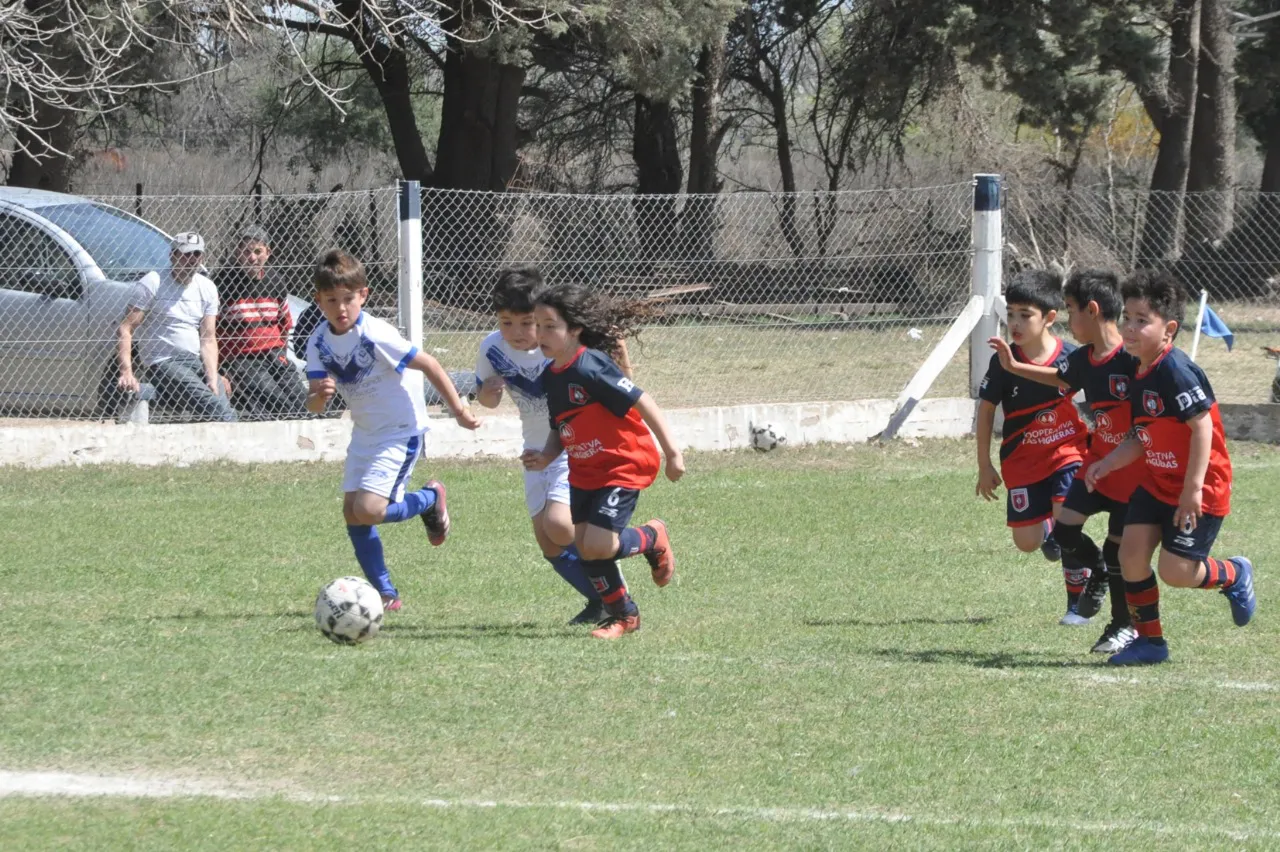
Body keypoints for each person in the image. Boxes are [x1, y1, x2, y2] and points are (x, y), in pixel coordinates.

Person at [1085, 270, 1256, 666]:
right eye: (1127, 317)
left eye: (1142, 320)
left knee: (1177, 571)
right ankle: (1151, 643)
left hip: (1199, 489)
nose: (1129, 326)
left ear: (1170, 329)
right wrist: (1106, 464)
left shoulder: (1174, 371)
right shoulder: (1137, 369)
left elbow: (1202, 429)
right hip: (1156, 484)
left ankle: (1232, 573)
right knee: (1130, 556)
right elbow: (1139, 435)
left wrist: (1192, 489)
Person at [304, 248, 481, 610]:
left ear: (363, 296)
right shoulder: (318, 341)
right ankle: (385, 593)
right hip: (366, 433)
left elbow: (429, 364)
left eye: (348, 299)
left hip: (400, 431)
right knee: (352, 511)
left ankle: (430, 499)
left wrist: (459, 410)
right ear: (318, 300)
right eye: (331, 300)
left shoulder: (375, 333)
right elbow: (313, 404)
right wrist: (319, 396)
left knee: (369, 509)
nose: (341, 308)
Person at [988, 269, 1142, 654]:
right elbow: (1058, 379)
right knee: (1062, 533)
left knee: (1127, 554)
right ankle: (1102, 578)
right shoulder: (1086, 360)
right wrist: (1012, 367)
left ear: (1090, 311)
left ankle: (1126, 625)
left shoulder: (1133, 359)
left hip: (1121, 466)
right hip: (1090, 464)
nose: (1068, 318)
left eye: (1070, 309)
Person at [522, 282, 684, 639]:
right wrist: (547, 455)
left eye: (550, 325)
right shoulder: (551, 376)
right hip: (585, 470)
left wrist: (672, 452)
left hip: (622, 464)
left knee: (598, 544)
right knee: (585, 547)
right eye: (537, 324)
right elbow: (560, 426)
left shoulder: (591, 365)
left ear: (575, 330)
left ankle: (652, 536)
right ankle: (624, 616)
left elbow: (643, 401)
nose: (540, 333)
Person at [474, 266, 605, 625]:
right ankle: (600, 599)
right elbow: (486, 401)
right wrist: (487, 392)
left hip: (572, 446)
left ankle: (614, 587)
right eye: (506, 322)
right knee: (547, 542)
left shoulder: (559, 347)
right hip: (533, 452)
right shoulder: (492, 348)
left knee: (560, 526)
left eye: (527, 322)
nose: (517, 333)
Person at [976, 269, 1092, 625]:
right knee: (1025, 542)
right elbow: (985, 411)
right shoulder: (1003, 360)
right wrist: (984, 465)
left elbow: (1100, 404)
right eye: (1010, 314)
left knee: (1067, 519)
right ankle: (1045, 532)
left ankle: (1077, 603)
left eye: (1025, 315)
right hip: (1022, 460)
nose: (1015, 322)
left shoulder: (1072, 358)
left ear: (1049, 318)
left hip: (1067, 453)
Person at [116, 232, 238, 422]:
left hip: (193, 360)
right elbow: (126, 328)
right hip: (163, 362)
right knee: (214, 405)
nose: (192, 259)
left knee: (219, 398)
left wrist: (212, 375)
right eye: (186, 254)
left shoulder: (207, 288)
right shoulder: (153, 282)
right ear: (173, 255)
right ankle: (237, 438)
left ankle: (222, 442)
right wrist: (126, 372)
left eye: (197, 254)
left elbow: (208, 338)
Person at [214, 224, 309, 420]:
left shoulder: (275, 279)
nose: (252, 258)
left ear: (268, 252)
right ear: (237, 253)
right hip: (242, 359)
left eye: (258, 251)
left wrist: (281, 352)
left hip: (274, 354)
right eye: (246, 251)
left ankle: (310, 437)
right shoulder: (223, 281)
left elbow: (285, 322)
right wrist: (218, 370)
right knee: (277, 402)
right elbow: (209, 331)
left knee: (302, 400)